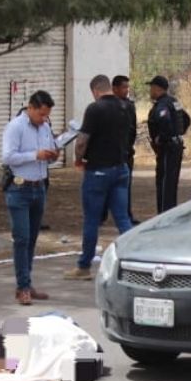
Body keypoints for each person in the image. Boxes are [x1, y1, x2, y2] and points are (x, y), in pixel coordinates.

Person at [64, 75, 134, 280]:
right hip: (121, 168)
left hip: (98, 170)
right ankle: (133, 261)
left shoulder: (95, 109)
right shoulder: (125, 107)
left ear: (95, 90)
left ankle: (84, 266)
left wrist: (78, 160)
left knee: (92, 220)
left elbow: (82, 140)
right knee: (122, 218)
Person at [1, 90, 59, 305]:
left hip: (39, 187)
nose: (44, 119)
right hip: (19, 189)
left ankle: (27, 281)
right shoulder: (15, 127)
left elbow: (49, 153)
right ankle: (22, 286)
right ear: (31, 108)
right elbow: (7, 157)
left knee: (32, 239)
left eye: (46, 116)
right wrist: (35, 155)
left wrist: (52, 155)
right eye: (41, 114)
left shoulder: (45, 127)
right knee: (22, 238)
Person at [147, 75, 190, 213]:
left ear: (157, 88)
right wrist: (179, 133)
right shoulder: (174, 101)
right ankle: (170, 212)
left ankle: (164, 214)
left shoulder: (162, 105)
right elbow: (186, 119)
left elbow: (164, 120)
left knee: (165, 183)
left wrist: (162, 138)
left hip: (168, 148)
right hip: (176, 146)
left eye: (151, 88)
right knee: (171, 182)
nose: (150, 91)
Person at [111, 75, 139, 225]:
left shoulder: (129, 105)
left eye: (127, 87)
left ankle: (127, 214)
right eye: (123, 87)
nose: (126, 90)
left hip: (126, 152)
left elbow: (132, 129)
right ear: (114, 88)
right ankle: (102, 214)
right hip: (110, 154)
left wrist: (128, 148)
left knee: (125, 185)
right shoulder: (108, 105)